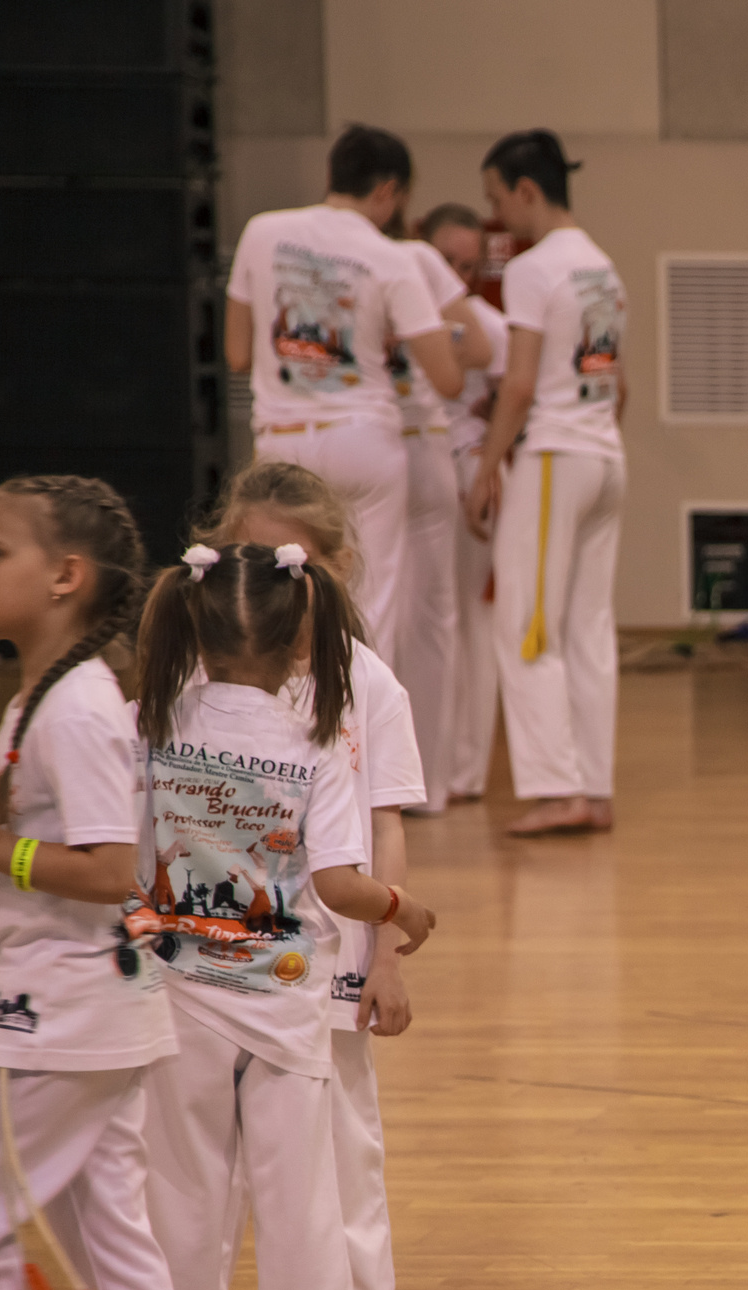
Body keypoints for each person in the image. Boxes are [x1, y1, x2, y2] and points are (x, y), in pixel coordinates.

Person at [0, 477, 214, 1290]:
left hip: (57, 1014)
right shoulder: (45, 696)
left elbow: (114, 870)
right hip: (79, 1007)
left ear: (64, 576)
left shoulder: (77, 711)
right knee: (111, 1230)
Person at [133, 540, 436, 1290]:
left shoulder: (147, 720)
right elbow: (343, 885)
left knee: (178, 1202)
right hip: (284, 1001)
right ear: (302, 637)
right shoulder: (315, 746)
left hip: (174, 996)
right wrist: (402, 908)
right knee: (301, 1200)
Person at [207, 466, 429, 1290]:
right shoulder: (199, 671)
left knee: (344, 1142)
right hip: (213, 955)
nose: (274, 574)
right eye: (251, 555)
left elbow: (384, 822)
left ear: (335, 564)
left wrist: (388, 953)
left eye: (294, 557)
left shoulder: (367, 683)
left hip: (323, 952)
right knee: (198, 1162)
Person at [225, 126, 465, 675]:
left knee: (278, 607)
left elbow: (238, 352)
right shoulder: (389, 257)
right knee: (369, 612)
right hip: (365, 441)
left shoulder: (263, 233)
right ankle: (360, 750)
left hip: (284, 447)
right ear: (387, 190)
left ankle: (284, 745)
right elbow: (448, 380)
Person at [463, 131, 627, 838]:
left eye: (498, 199)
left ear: (527, 189)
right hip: (605, 457)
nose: (498, 215)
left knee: (526, 621)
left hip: (557, 456)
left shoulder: (537, 268)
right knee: (588, 627)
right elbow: (621, 385)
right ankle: (593, 785)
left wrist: (485, 467)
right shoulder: (603, 268)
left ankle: (558, 787)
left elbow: (521, 384)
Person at [387, 208, 491, 814]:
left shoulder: (382, 263)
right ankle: (425, 784)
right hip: (417, 442)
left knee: (394, 615)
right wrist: (437, 333)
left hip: (394, 440)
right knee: (430, 619)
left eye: (467, 265)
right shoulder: (413, 263)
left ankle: (398, 782)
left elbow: (482, 348)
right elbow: (472, 343)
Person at [420, 203, 509, 803]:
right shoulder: (394, 302)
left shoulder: (489, 327)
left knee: (470, 619)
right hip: (415, 467)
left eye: (469, 266)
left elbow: (514, 397)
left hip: (470, 467)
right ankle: (423, 761)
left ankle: (465, 769)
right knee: (422, 615)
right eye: (446, 260)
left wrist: (491, 469)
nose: (457, 275)